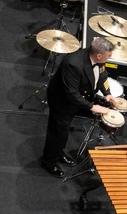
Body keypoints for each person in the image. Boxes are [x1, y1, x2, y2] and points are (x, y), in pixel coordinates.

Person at [40, 37, 116, 176]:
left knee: (63, 131)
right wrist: (92, 107)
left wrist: (107, 93)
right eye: (109, 55)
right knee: (58, 132)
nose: (110, 58)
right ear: (99, 55)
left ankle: (58, 152)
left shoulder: (98, 60)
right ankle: (49, 161)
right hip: (62, 102)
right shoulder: (73, 64)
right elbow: (71, 94)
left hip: (78, 98)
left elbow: (103, 75)